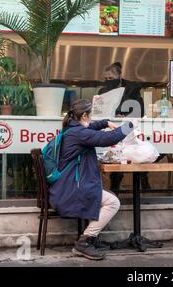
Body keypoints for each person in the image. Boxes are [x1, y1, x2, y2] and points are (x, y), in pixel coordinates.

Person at [49, 99, 134, 260]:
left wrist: (105, 122)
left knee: (106, 194)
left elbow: (91, 128)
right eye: (91, 115)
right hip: (72, 189)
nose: (92, 118)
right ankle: (85, 241)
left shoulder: (72, 129)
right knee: (113, 202)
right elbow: (105, 139)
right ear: (85, 115)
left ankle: (91, 239)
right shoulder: (79, 133)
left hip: (68, 185)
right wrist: (128, 127)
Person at [98, 63, 149, 193]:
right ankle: (115, 188)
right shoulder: (102, 92)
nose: (108, 81)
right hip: (111, 130)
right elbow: (98, 112)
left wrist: (125, 113)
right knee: (114, 159)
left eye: (111, 78)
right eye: (106, 79)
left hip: (129, 130)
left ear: (119, 76)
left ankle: (144, 185)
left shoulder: (132, 89)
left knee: (135, 160)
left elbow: (140, 110)